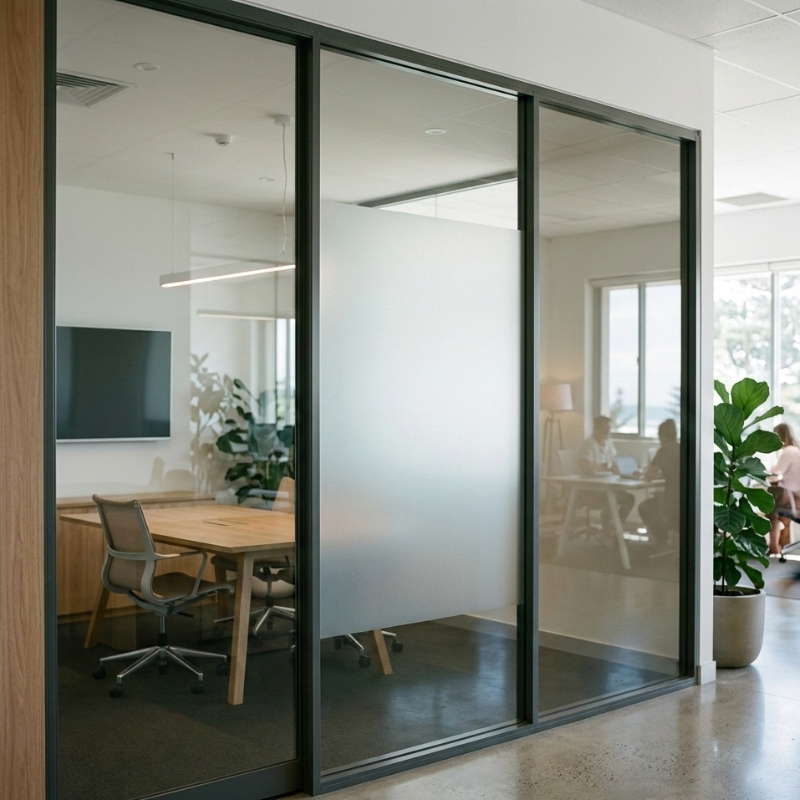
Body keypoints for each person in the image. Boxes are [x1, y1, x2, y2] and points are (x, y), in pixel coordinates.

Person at [576, 415, 634, 535]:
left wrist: (619, 469)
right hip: (592, 491)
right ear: (596, 430)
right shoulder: (588, 444)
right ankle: (607, 530)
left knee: (629, 498)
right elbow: (585, 466)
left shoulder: (609, 443)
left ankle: (616, 529)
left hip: (608, 487)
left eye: (609, 429)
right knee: (611, 498)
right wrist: (602, 466)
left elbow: (613, 464)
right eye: (604, 429)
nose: (608, 432)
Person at [638, 418, 680, 549]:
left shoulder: (663, 451)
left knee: (645, 507)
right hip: (685, 501)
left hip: (672, 502)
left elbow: (649, 476)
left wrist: (640, 474)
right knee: (657, 499)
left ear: (661, 436)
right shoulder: (682, 448)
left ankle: (662, 541)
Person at [767, 423, 800, 556]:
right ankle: (783, 545)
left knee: (771, 511)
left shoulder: (788, 451)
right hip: (796, 497)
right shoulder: (796, 450)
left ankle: (774, 546)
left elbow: (775, 475)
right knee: (780, 511)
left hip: (794, 498)